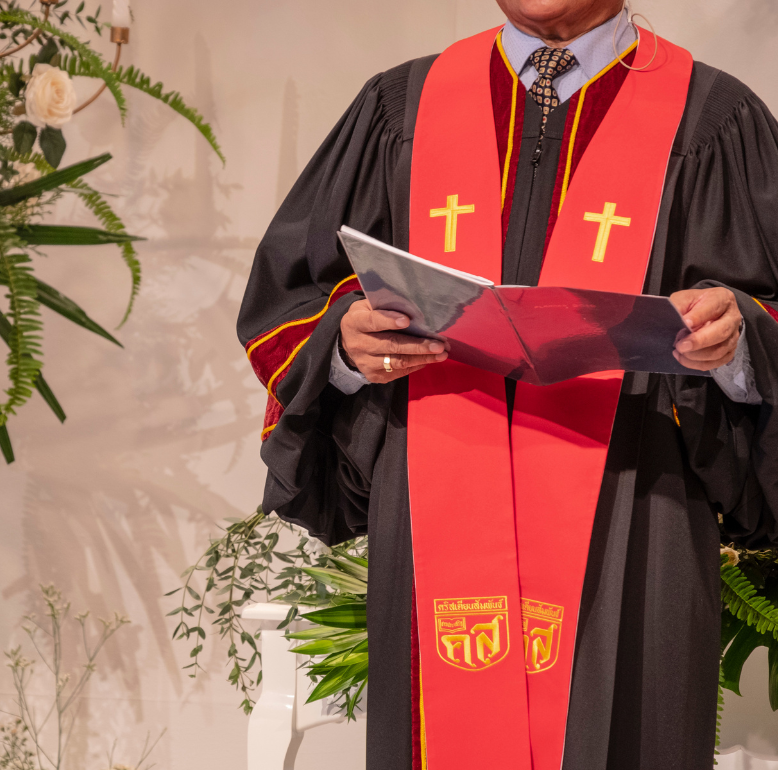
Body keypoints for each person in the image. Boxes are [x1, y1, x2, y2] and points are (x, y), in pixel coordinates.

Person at [237, 1, 778, 768]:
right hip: (433, 502)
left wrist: (740, 339)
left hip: (635, 516)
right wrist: (346, 346)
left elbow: (768, 311)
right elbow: (288, 299)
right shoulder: (403, 109)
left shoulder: (711, 121)